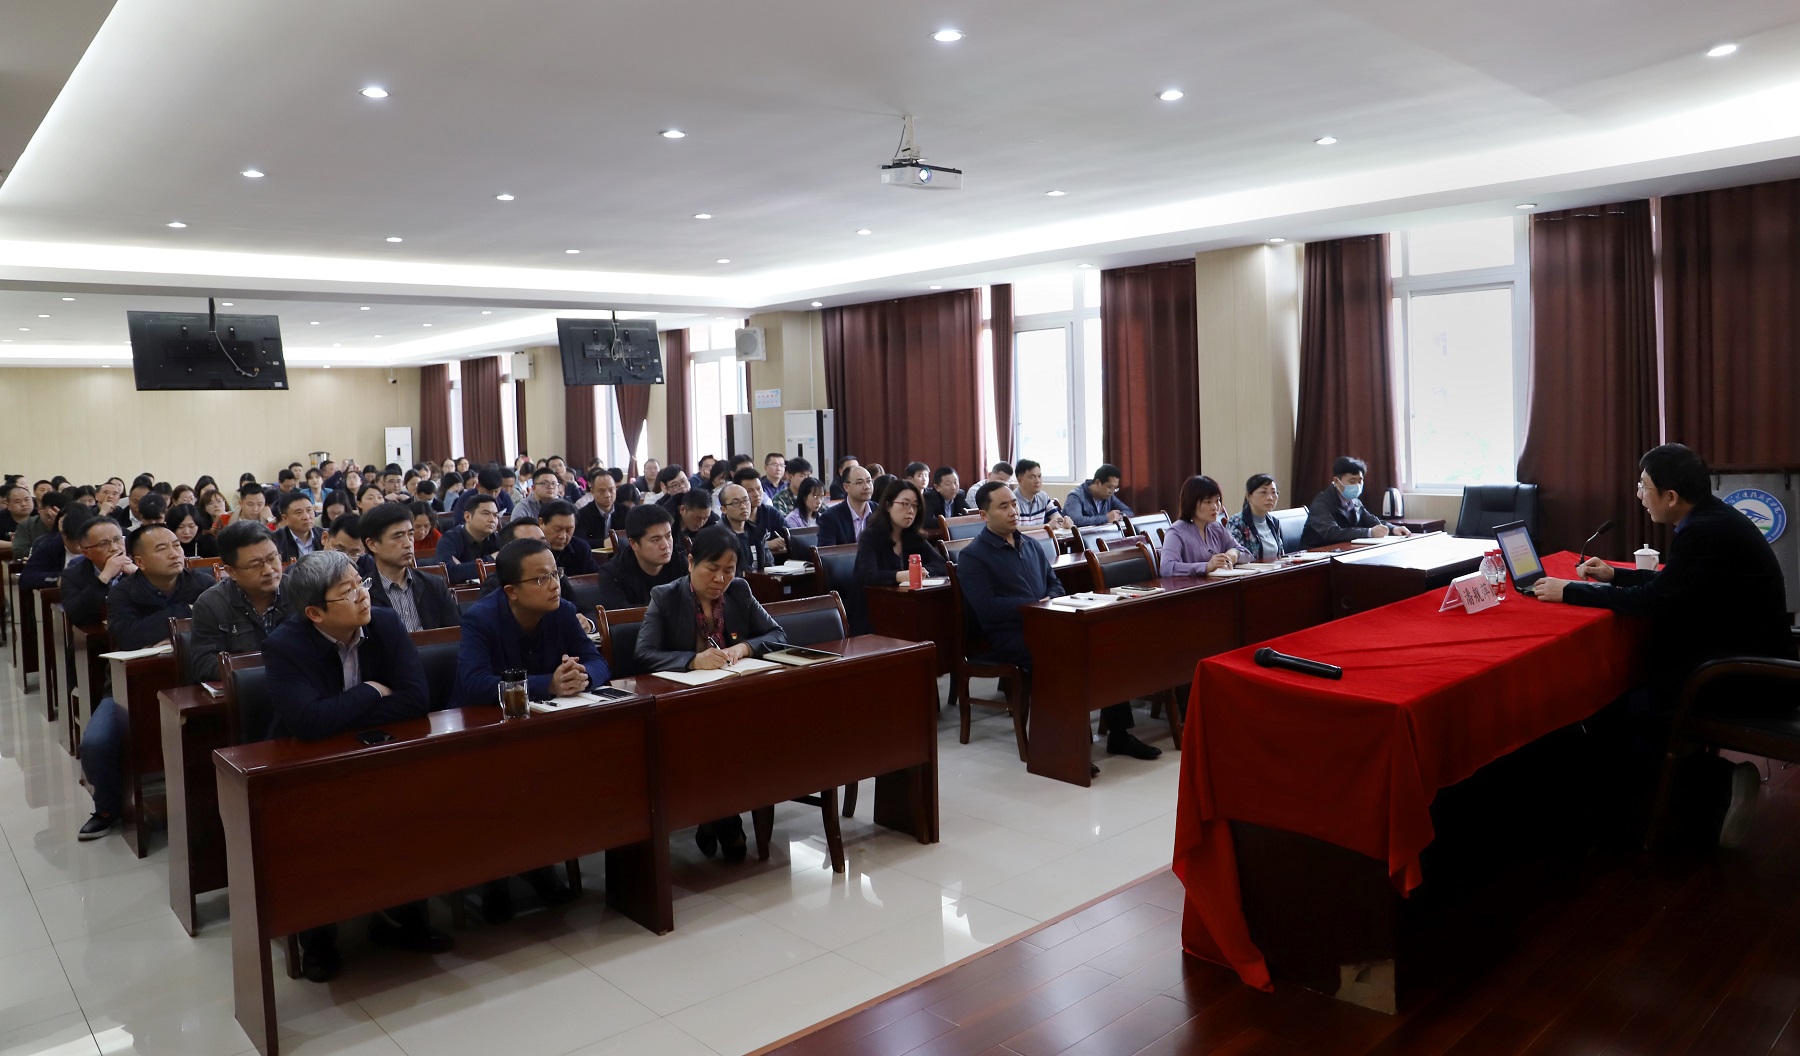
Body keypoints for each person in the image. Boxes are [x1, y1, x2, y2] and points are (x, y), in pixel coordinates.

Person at [1528, 444, 1793, 848]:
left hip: (1743, 677)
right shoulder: (1714, 518)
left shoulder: (1704, 532)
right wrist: (1614, 576)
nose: (1638, 495)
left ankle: (1715, 791)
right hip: (1742, 659)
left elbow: (1655, 602)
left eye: (1643, 486)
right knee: (1629, 694)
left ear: (1670, 496)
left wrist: (1571, 591)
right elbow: (1675, 586)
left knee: (1615, 711)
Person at [262, 551, 449, 980]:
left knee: (414, 807)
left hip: (375, 751)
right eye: (347, 592)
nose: (363, 595)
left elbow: (415, 699)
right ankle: (317, 938)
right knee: (313, 830)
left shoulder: (385, 622)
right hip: (308, 763)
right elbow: (307, 722)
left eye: (360, 584)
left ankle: (404, 919)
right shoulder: (284, 645)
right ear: (314, 613)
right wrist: (371, 691)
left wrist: (337, 712)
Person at [957, 481, 1161, 769]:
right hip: (1010, 635)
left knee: (1103, 649)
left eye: (1013, 504)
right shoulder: (973, 556)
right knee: (1065, 657)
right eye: (1003, 507)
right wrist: (1035, 605)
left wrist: (1047, 601)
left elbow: (1055, 584)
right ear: (983, 515)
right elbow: (987, 608)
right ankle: (1065, 746)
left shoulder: (1029, 544)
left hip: (1049, 624)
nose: (1013, 511)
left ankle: (1119, 734)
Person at [454, 537, 596, 921]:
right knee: (504, 782)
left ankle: (539, 864)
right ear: (511, 591)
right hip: (485, 733)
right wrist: (548, 684)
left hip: (543, 728)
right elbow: (474, 684)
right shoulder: (480, 618)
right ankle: (495, 878)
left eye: (555, 574)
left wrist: (581, 676)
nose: (553, 585)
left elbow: (598, 661)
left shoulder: (564, 611)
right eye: (540, 579)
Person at [636, 526, 788, 861]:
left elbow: (777, 634)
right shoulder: (666, 596)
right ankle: (725, 820)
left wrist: (745, 648)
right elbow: (644, 654)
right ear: (691, 562)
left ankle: (713, 817)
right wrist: (693, 660)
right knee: (714, 740)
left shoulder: (740, 591)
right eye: (712, 569)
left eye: (729, 570)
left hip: (733, 697)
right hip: (683, 705)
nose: (721, 579)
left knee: (744, 737)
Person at [76, 524, 214, 840]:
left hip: (191, 679)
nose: (175, 553)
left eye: (176, 545)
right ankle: (107, 808)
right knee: (95, 744)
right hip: (128, 686)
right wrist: (185, 615)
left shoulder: (203, 583)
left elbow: (213, 628)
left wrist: (166, 629)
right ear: (139, 560)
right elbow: (129, 636)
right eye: (162, 548)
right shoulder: (123, 592)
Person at [849, 478, 948, 634]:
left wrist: (922, 572)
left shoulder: (914, 536)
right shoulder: (870, 536)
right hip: (873, 613)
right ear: (888, 506)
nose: (910, 511)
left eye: (915, 506)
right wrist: (902, 576)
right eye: (905, 504)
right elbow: (868, 576)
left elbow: (942, 564)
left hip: (907, 608)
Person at [359, 501, 461, 632]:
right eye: (398, 536)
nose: (408, 544)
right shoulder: (363, 594)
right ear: (373, 544)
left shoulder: (434, 585)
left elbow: (455, 635)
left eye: (410, 534)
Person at [1299, 456, 1410, 547]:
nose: (1357, 485)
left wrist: (1393, 529)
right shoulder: (1322, 503)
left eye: (1360, 481)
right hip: (1317, 555)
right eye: (1352, 481)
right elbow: (1331, 533)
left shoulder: (1354, 501)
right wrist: (1369, 533)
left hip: (1341, 551)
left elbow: (1370, 520)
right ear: (1336, 481)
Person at [597, 504, 683, 610]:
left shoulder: (680, 560)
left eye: (668, 536)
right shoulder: (612, 573)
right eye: (655, 540)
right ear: (634, 544)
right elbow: (622, 615)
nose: (665, 545)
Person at [1161, 476, 1241, 576]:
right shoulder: (1177, 532)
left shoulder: (1216, 527)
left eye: (1217, 501)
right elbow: (1166, 568)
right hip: (1191, 585)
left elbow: (1245, 552)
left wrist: (1234, 553)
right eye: (1208, 502)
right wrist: (1206, 566)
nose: (1215, 507)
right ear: (1192, 503)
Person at [63, 516, 134, 626]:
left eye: (117, 539)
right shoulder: (72, 576)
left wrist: (140, 575)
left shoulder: (141, 565)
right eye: (103, 544)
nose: (114, 548)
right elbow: (76, 616)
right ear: (87, 553)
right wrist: (104, 577)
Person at [436, 493, 502, 583]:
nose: (492, 520)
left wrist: (463, 569)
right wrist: (491, 559)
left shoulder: (498, 538)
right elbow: (449, 573)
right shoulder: (449, 540)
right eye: (486, 514)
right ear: (468, 517)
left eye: (495, 515)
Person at [22, 508, 92, 592]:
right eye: (72, 542)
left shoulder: (100, 545)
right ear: (62, 534)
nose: (78, 547)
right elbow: (26, 577)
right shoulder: (50, 545)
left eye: (81, 542)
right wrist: (58, 579)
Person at [1227, 474, 1287, 562]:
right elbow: (1234, 554)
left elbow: (1281, 556)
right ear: (1248, 496)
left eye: (1273, 492)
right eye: (1263, 492)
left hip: (1274, 569)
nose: (1270, 498)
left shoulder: (1274, 522)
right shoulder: (1237, 522)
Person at [718, 483, 773, 576]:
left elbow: (769, 565)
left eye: (746, 500)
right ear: (723, 509)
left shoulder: (758, 533)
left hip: (760, 582)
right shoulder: (718, 537)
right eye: (736, 503)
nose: (743, 506)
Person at [733, 466, 789, 556]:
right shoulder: (733, 517)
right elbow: (737, 548)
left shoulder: (771, 513)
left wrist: (785, 541)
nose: (756, 494)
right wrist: (766, 545)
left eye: (759, 488)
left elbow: (791, 536)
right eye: (750, 491)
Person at [817, 465, 876, 546]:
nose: (867, 487)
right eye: (859, 482)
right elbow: (827, 552)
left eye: (869, 481)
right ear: (846, 487)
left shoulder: (879, 511)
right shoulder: (830, 517)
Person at [540, 499, 600, 576]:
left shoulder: (581, 549)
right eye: (557, 529)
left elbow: (595, 578)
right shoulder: (530, 552)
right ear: (541, 523)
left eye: (569, 530)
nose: (563, 536)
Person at [1063, 464, 1132, 527]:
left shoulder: (1109, 497)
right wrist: (1106, 518)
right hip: (1081, 536)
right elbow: (1076, 520)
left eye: (1115, 488)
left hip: (1102, 534)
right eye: (1110, 487)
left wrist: (1118, 516)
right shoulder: (1075, 496)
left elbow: (1128, 511)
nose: (1112, 492)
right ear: (1098, 482)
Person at [1011, 460, 1071, 530]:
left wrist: (1065, 522)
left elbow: (1057, 518)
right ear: (1020, 480)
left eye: (1039, 476)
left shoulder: (1043, 496)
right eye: (1032, 477)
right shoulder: (1011, 500)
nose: (1037, 481)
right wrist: (1046, 527)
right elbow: (1014, 529)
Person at [574, 471, 622, 549]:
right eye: (602, 491)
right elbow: (579, 542)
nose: (607, 495)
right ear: (592, 492)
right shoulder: (582, 514)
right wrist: (603, 543)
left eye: (611, 490)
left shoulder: (625, 512)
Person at [271, 491, 322, 563]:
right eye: (299, 512)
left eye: (309, 510)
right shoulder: (274, 541)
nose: (306, 517)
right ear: (285, 518)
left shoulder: (325, 536)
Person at [672, 489, 718, 561]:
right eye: (697, 518)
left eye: (705, 518)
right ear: (682, 509)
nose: (701, 523)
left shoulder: (712, 522)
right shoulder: (667, 523)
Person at [12, 488, 62, 554]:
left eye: (58, 517)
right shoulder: (26, 525)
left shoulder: (69, 524)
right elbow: (18, 552)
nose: (51, 520)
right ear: (39, 509)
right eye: (48, 516)